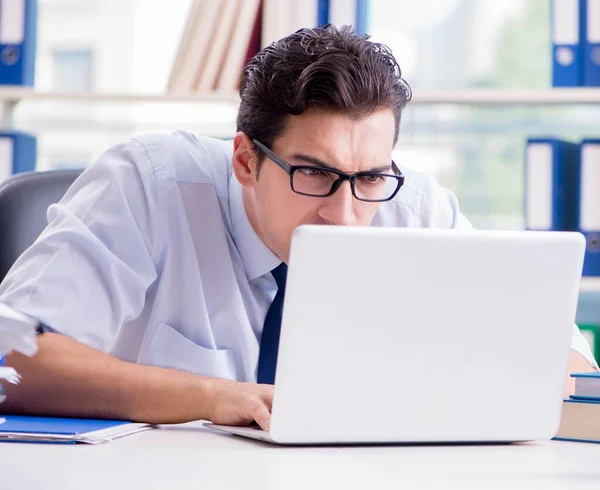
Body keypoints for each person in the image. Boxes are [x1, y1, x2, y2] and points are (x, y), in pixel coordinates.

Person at [0, 26, 596, 431]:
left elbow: (565, 355)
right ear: (244, 160)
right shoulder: (149, 183)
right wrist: (211, 396)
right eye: (313, 172)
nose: (343, 215)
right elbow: (11, 358)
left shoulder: (410, 207)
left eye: (368, 177)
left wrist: (542, 372)